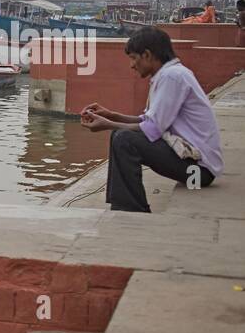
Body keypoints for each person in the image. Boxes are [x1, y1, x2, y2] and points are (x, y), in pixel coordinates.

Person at [81, 27, 223, 212]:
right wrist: (111, 115)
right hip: (195, 169)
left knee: (124, 139)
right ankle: (123, 205)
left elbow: (152, 129)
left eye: (133, 58)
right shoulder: (170, 74)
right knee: (120, 134)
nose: (132, 65)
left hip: (198, 172)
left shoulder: (172, 77)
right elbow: (148, 122)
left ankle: (131, 209)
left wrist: (107, 124)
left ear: (147, 55)